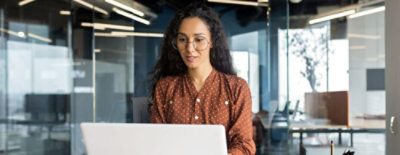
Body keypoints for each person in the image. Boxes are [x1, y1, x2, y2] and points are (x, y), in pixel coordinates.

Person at [149, 2, 255, 155]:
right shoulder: (165, 88)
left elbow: (244, 145)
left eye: (198, 40)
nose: (190, 48)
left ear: (212, 41)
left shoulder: (237, 88)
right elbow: (156, 142)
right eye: (182, 39)